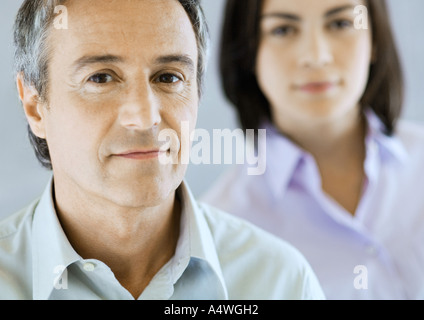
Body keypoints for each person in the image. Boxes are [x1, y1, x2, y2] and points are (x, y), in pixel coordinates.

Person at [0, 0, 325, 300]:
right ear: (34, 107)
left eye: (168, 77)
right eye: (100, 78)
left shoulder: (281, 282)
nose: (144, 117)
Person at [202, 0, 424, 300]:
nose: (316, 56)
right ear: (248, 52)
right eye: (283, 29)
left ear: (374, 38)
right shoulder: (223, 232)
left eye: (341, 24)